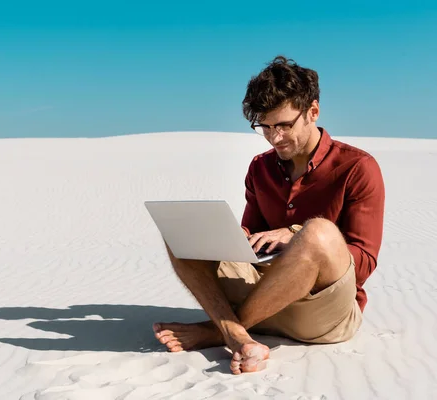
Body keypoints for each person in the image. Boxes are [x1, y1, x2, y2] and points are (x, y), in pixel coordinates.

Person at [152, 56, 385, 375]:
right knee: (181, 232)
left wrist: (297, 236)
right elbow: (254, 235)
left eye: (284, 125)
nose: (275, 137)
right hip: (266, 296)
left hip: (322, 312)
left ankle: (218, 330)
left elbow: (364, 263)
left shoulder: (358, 168)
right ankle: (237, 335)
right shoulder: (260, 167)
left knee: (318, 232)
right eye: (265, 127)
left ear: (313, 112)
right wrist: (235, 238)